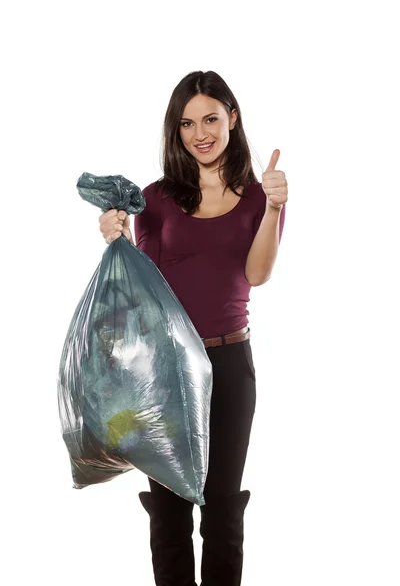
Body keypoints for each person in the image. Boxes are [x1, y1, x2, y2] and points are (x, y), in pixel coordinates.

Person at [99, 70, 288, 586]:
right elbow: (142, 289)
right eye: (186, 123)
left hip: (229, 365)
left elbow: (257, 275)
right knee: (169, 514)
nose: (199, 133)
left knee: (223, 512)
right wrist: (113, 237)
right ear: (176, 130)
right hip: (166, 368)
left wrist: (273, 207)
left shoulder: (258, 195)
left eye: (210, 118)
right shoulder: (156, 199)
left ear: (232, 117)